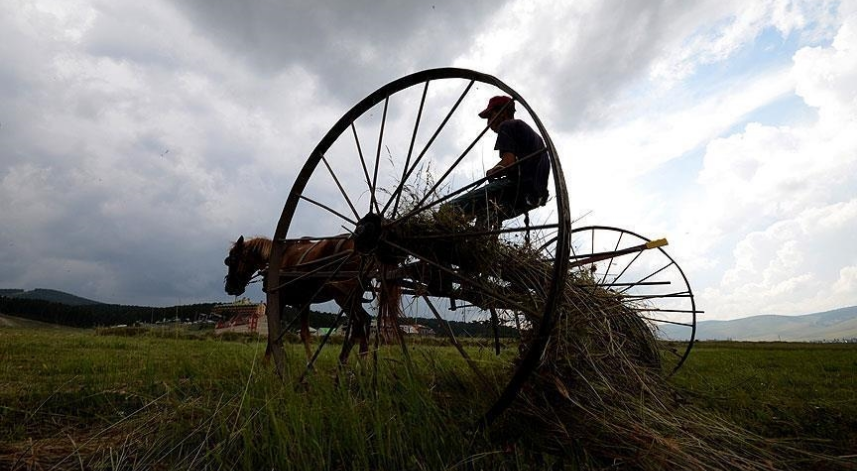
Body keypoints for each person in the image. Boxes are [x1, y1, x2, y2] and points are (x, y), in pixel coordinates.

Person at [445, 95, 551, 227]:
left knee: (449, 209)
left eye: (490, 116)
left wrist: (493, 171)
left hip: (516, 185)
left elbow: (508, 162)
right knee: (489, 214)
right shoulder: (532, 136)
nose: (489, 123)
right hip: (535, 196)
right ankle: (481, 241)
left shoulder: (507, 125)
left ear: (504, 112)